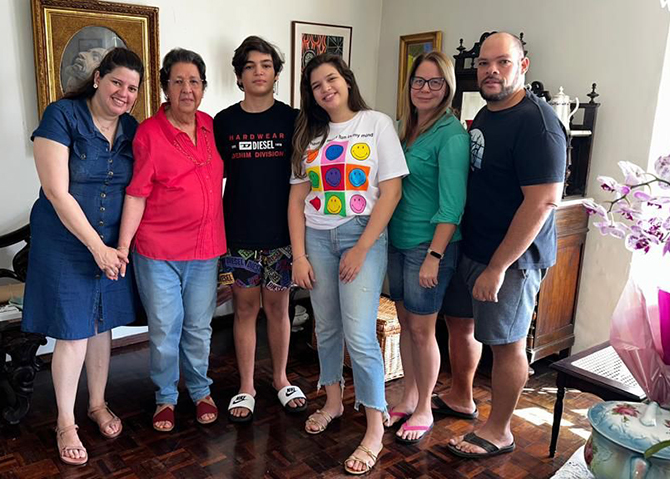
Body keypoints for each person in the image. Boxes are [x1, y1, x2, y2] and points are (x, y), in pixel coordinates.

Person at [445, 32, 566, 459]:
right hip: (472, 245)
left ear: (523, 66)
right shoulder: (487, 112)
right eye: (483, 64)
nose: (491, 71)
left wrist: (497, 267)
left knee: (507, 342)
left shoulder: (539, 124)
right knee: (459, 323)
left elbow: (543, 201)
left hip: (511, 261)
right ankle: (461, 396)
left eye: (502, 62)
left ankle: (499, 431)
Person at [21, 47, 144, 466]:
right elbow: (56, 192)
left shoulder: (131, 128)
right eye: (116, 82)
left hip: (111, 242)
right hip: (65, 242)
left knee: (101, 324)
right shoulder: (61, 115)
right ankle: (65, 422)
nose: (123, 93)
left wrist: (120, 247)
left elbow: (139, 188)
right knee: (73, 331)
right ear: (97, 79)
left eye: (132, 88)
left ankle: (96, 403)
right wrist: (97, 248)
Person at [288, 53, 408, 475]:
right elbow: (296, 200)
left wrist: (362, 248)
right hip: (317, 239)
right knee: (326, 328)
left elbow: (391, 193)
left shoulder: (376, 124)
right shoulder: (308, 135)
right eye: (316, 85)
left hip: (363, 236)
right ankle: (334, 401)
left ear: (347, 80)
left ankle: (374, 426)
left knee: (359, 335)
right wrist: (299, 255)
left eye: (331, 79)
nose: (325, 89)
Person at [117, 48, 226, 433]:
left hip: (205, 249)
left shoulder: (211, 126)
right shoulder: (149, 132)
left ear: (203, 87)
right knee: (165, 328)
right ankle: (166, 396)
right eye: (178, 81)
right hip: (158, 250)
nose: (187, 89)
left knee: (198, 327)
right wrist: (123, 247)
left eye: (194, 81)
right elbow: (137, 193)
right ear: (165, 87)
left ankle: (200, 390)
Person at [213, 36, 305, 423]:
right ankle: (247, 385)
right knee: (245, 310)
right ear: (239, 76)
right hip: (239, 235)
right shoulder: (224, 122)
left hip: (283, 235)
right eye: (249, 66)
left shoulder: (294, 120)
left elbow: (304, 179)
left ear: (276, 73)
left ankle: (281, 378)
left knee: (279, 309)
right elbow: (211, 179)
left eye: (266, 65)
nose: (258, 72)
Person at [385, 51, 469, 444]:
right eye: (419, 80)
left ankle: (424, 408)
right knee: (406, 325)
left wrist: (434, 257)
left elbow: (452, 206)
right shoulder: (403, 127)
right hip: (397, 240)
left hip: (428, 246)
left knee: (423, 330)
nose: (425, 88)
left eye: (435, 82)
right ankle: (408, 397)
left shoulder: (452, 136)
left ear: (447, 88)